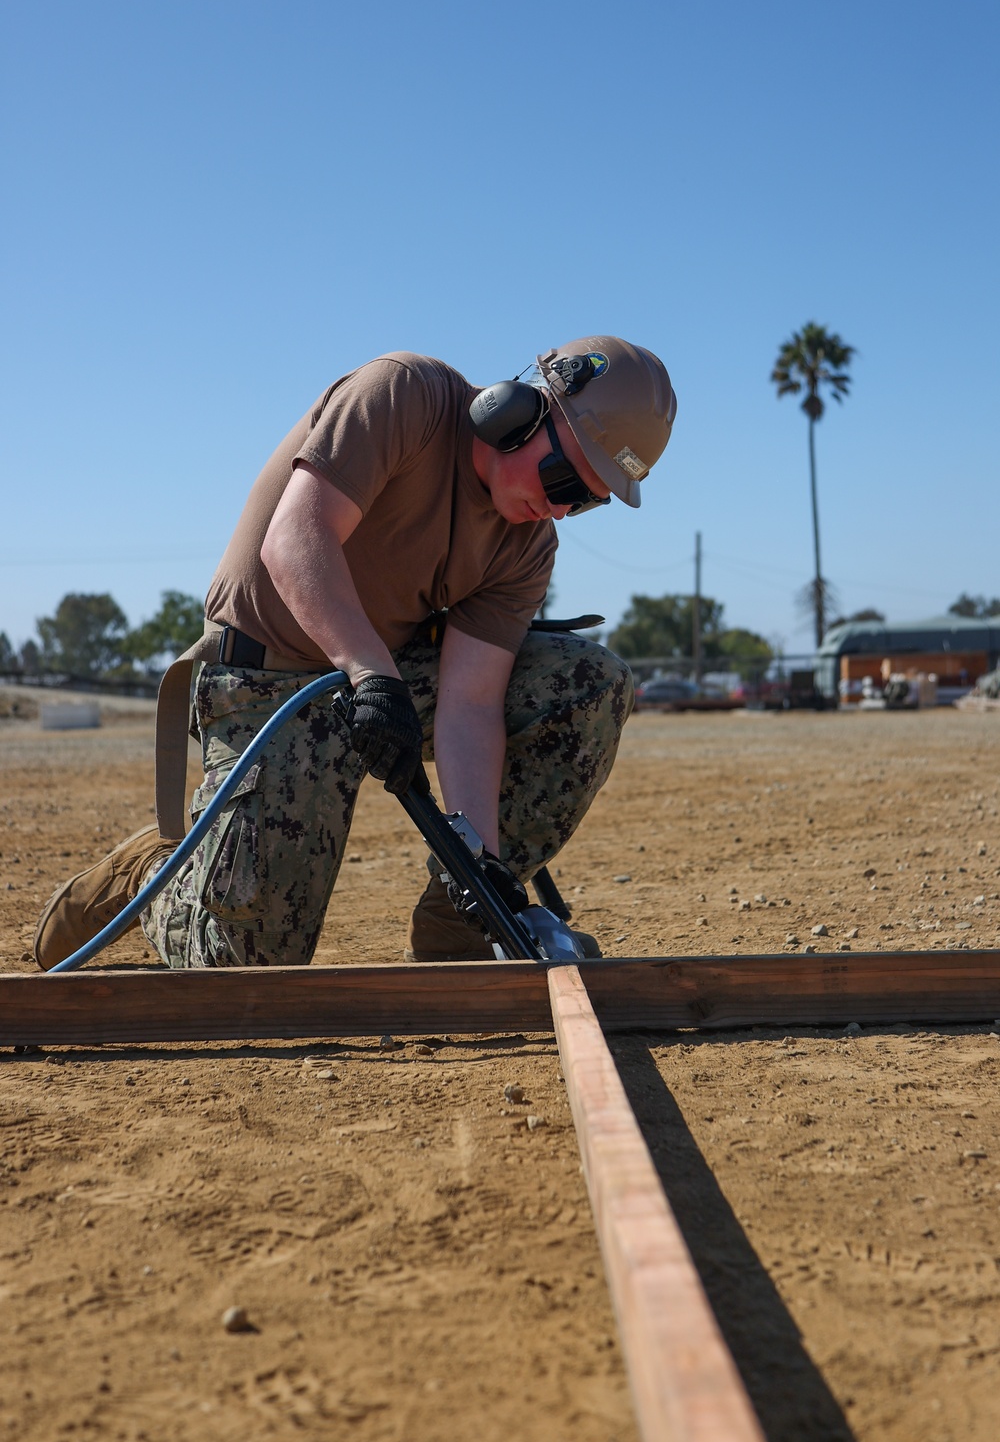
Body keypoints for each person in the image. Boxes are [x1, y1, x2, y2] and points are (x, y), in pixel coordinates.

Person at [34, 336, 677, 971]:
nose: (563, 508)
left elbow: (471, 703)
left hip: (378, 686)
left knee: (589, 683)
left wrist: (479, 864)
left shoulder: (527, 549)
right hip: (266, 683)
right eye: (565, 477)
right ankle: (159, 869)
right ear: (516, 412)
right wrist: (369, 673)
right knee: (251, 965)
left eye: (587, 500)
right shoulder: (405, 396)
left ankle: (459, 924)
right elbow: (295, 538)